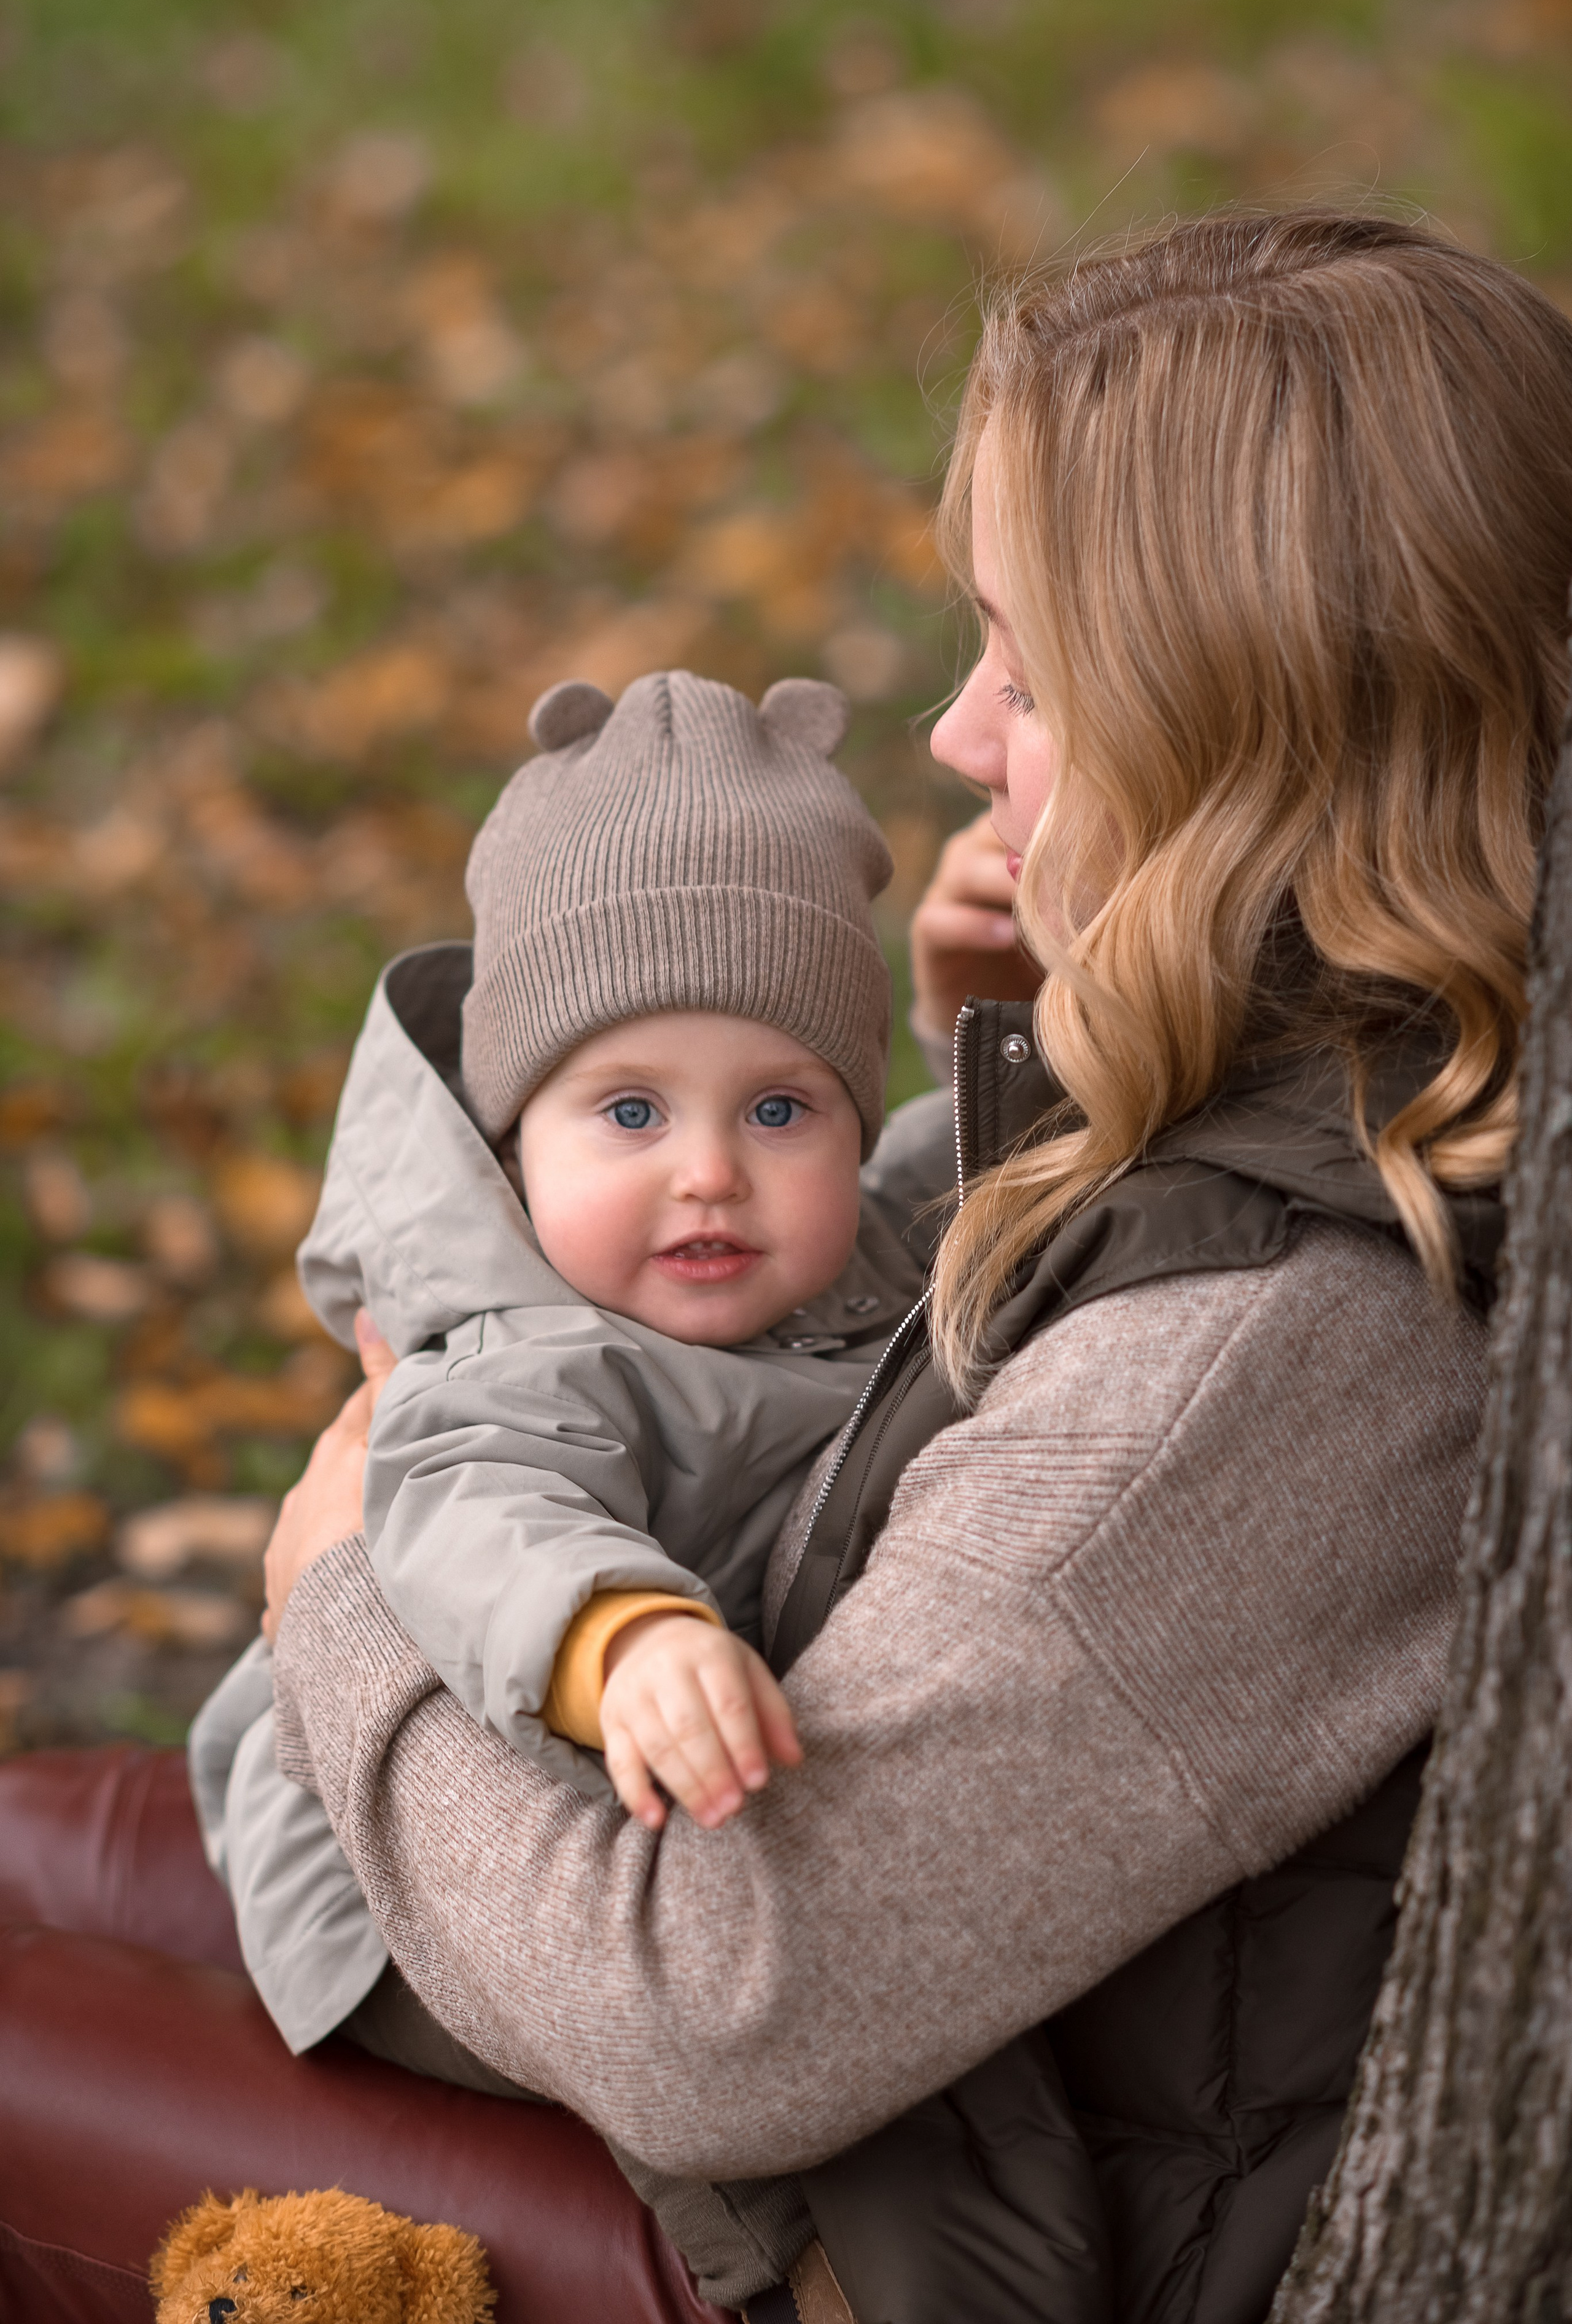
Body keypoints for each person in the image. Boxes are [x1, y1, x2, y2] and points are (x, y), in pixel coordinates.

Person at [257, 211, 1572, 2324]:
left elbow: (716, 2003)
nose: (959, 735)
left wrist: (333, 1594)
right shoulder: (1381, 1082)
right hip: (957, 2070)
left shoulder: (1260, 1369)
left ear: (1238, 742)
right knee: (44, 1833)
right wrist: (1046, 1034)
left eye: (1032, 675)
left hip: (886, 2229)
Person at [188, 666, 935, 2064]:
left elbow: (962, 1176)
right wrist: (621, 1639)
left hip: (646, 1841)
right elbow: (484, 1514)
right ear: (516, 1136)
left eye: (780, 1108)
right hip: (405, 1898)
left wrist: (995, 1024)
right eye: (631, 1111)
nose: (709, 1172)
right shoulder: (527, 1352)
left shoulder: (857, 1253)